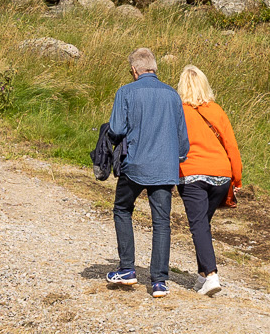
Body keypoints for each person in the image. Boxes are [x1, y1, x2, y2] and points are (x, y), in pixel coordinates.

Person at [101, 46, 184, 293]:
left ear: (134, 70)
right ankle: (159, 281)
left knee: (122, 208)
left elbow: (116, 130)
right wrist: (178, 158)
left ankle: (127, 268)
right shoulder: (172, 95)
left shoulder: (126, 92)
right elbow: (182, 138)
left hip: (135, 164)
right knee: (161, 222)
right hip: (165, 166)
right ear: (154, 69)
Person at [170, 64, 242, 297]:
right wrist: (236, 178)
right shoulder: (216, 110)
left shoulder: (178, 110)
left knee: (199, 225)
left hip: (191, 174)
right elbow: (231, 144)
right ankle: (203, 276)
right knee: (203, 224)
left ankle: (211, 275)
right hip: (222, 175)